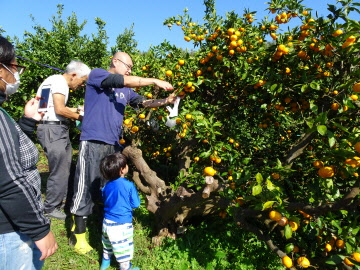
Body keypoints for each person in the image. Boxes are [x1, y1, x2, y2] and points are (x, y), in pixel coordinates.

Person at [70, 51, 175, 254]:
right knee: (84, 186)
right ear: (115, 61)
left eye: (131, 68)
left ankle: (93, 224)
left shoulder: (125, 91)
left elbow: (143, 103)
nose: (130, 70)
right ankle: (78, 236)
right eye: (128, 66)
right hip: (93, 140)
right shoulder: (98, 75)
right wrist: (154, 80)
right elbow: (123, 81)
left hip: (112, 144)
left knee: (102, 185)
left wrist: (165, 101)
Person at [0, 35, 58, 269]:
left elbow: (8, 153)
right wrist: (40, 231)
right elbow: (8, 182)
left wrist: (27, 122)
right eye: (13, 67)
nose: (16, 74)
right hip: (10, 231)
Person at [36, 60, 91, 220]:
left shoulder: (53, 80)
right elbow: (60, 109)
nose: (82, 85)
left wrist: (79, 110)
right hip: (53, 129)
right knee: (59, 169)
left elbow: (52, 107)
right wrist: (82, 117)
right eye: (82, 81)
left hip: (53, 127)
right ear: (74, 75)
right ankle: (50, 207)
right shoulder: (60, 82)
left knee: (64, 167)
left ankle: (58, 203)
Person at [99, 152, 140, 270]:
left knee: (107, 244)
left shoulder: (106, 186)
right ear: (122, 170)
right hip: (121, 224)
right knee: (123, 250)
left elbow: (105, 199)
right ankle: (126, 268)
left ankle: (105, 264)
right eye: (126, 165)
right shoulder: (129, 185)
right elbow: (136, 204)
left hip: (107, 222)